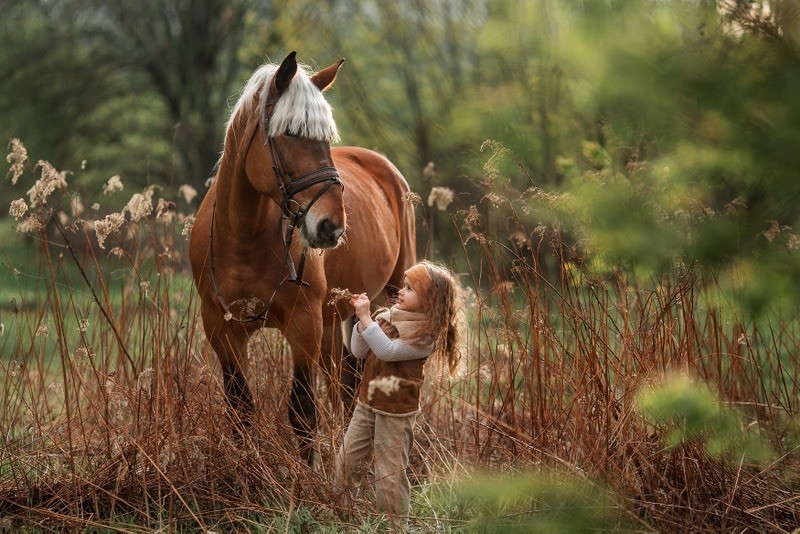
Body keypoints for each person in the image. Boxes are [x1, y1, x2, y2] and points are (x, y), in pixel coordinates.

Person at [334, 260, 465, 521]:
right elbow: (359, 351)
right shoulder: (389, 317)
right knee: (345, 464)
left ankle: (393, 526)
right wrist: (362, 323)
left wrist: (367, 319)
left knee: (389, 475)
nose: (400, 293)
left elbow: (388, 351)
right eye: (403, 286)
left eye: (409, 289)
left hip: (395, 413)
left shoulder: (425, 336)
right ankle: (342, 519)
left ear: (429, 300)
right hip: (367, 403)